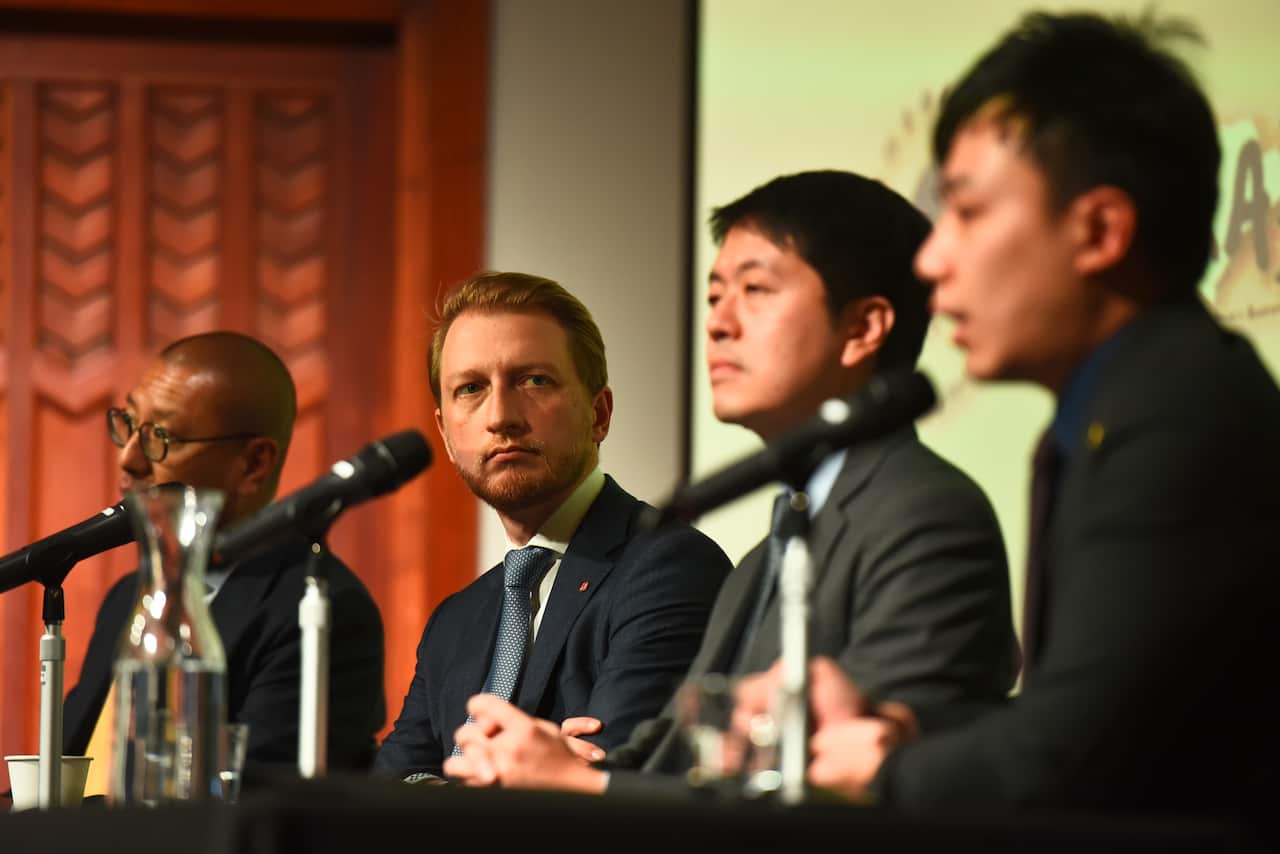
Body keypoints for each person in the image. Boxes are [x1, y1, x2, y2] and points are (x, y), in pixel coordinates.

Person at [733, 10, 1280, 819]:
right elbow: (1101, 713)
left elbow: (1082, 758)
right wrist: (898, 726)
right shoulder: (1126, 402)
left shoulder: (1178, 416)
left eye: (967, 210)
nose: (931, 257)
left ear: (1099, 229)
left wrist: (884, 770)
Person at [444, 171, 1020, 796]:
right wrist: (561, 756)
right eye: (715, 295)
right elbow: (672, 760)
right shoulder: (759, 564)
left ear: (863, 328)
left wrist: (581, 785)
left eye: (755, 289)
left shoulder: (925, 513)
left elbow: (857, 782)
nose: (718, 323)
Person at [372, 272, 733, 783]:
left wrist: (447, 784)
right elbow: (386, 793)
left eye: (534, 380)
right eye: (471, 388)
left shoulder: (669, 567)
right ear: (447, 434)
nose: (501, 416)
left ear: (599, 414)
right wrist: (519, 773)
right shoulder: (454, 621)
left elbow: (609, 779)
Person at [63, 332, 386, 791]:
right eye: (128, 423)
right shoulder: (127, 599)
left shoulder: (321, 610)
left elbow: (252, 803)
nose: (128, 458)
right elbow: (67, 775)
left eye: (160, 437)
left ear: (253, 464)